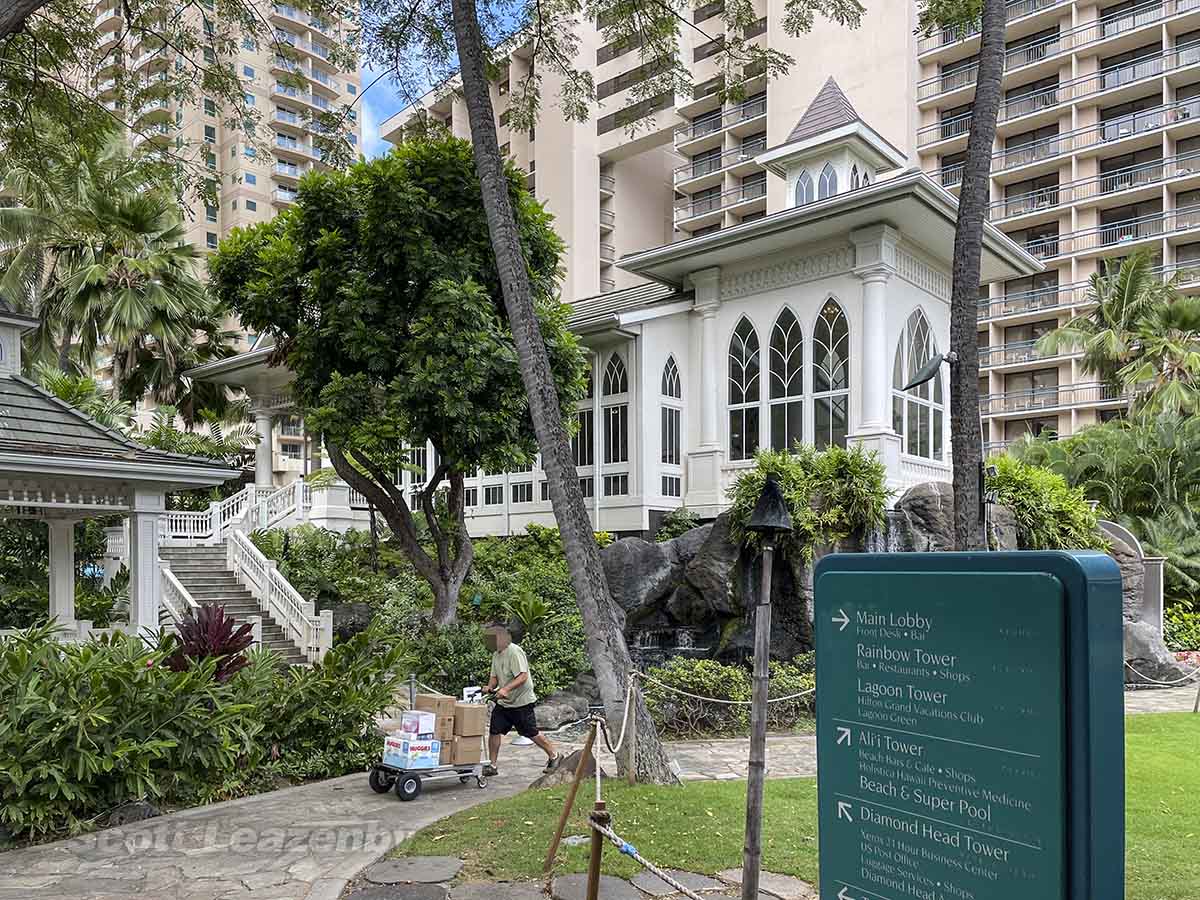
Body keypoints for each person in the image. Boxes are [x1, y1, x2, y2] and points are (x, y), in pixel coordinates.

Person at [482, 623, 562, 777]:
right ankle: (492, 765)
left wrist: (505, 689)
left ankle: (554, 755)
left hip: (521, 702)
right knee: (494, 730)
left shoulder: (514, 651)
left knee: (531, 732)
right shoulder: (496, 654)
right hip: (505, 703)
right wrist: (490, 687)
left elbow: (523, 676)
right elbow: (494, 677)